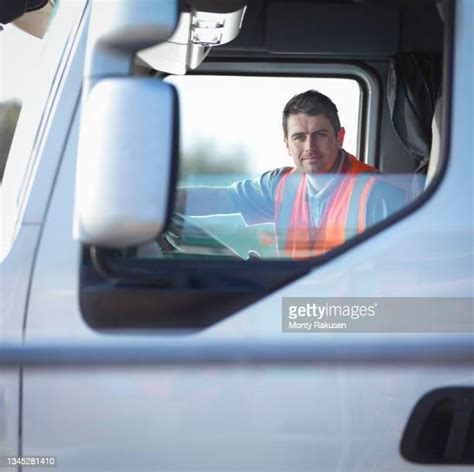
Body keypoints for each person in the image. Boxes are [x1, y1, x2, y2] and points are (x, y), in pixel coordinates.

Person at [177, 90, 406, 259]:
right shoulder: (280, 186)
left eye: (320, 135)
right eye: (299, 137)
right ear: (287, 144)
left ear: (340, 137)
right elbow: (217, 199)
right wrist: (154, 201)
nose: (310, 147)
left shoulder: (377, 193)